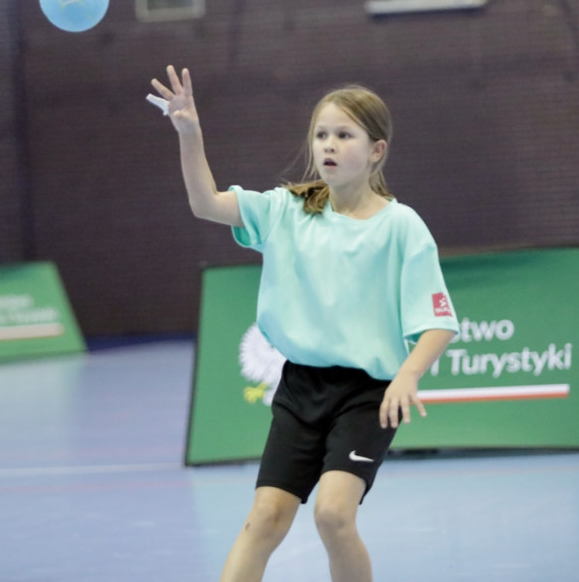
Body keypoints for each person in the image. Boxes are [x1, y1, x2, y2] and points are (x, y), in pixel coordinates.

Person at [149, 66, 459, 582]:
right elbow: (205, 203)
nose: (329, 145)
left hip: (368, 394)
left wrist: (407, 376)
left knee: (334, 516)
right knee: (265, 518)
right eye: (321, 135)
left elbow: (438, 323)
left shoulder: (401, 226)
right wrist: (190, 135)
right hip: (300, 388)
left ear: (376, 150)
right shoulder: (286, 210)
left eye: (344, 135)